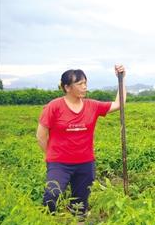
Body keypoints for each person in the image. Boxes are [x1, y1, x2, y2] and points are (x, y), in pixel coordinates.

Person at [36, 65, 126, 217]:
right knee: (52, 196)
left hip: (85, 163)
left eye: (85, 83)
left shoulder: (92, 105)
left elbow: (119, 104)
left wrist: (122, 79)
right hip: (59, 164)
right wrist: (53, 156)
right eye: (80, 84)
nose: (84, 87)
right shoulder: (54, 106)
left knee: (80, 203)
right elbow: (41, 135)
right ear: (67, 87)